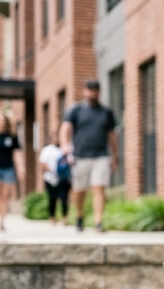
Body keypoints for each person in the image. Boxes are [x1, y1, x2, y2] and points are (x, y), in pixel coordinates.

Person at [60, 79, 119, 231]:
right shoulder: (75, 109)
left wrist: (115, 156)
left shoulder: (106, 112)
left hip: (101, 155)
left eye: (95, 90)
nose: (93, 93)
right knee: (79, 190)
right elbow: (65, 129)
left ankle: (98, 222)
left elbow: (112, 135)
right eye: (90, 90)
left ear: (99, 92)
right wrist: (65, 146)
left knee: (99, 187)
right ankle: (79, 215)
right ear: (85, 91)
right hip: (80, 156)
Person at [38, 136, 71, 224]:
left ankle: (65, 217)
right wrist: (52, 171)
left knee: (64, 198)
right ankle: (52, 217)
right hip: (50, 178)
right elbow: (42, 162)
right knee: (52, 198)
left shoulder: (65, 149)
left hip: (63, 178)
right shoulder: (47, 150)